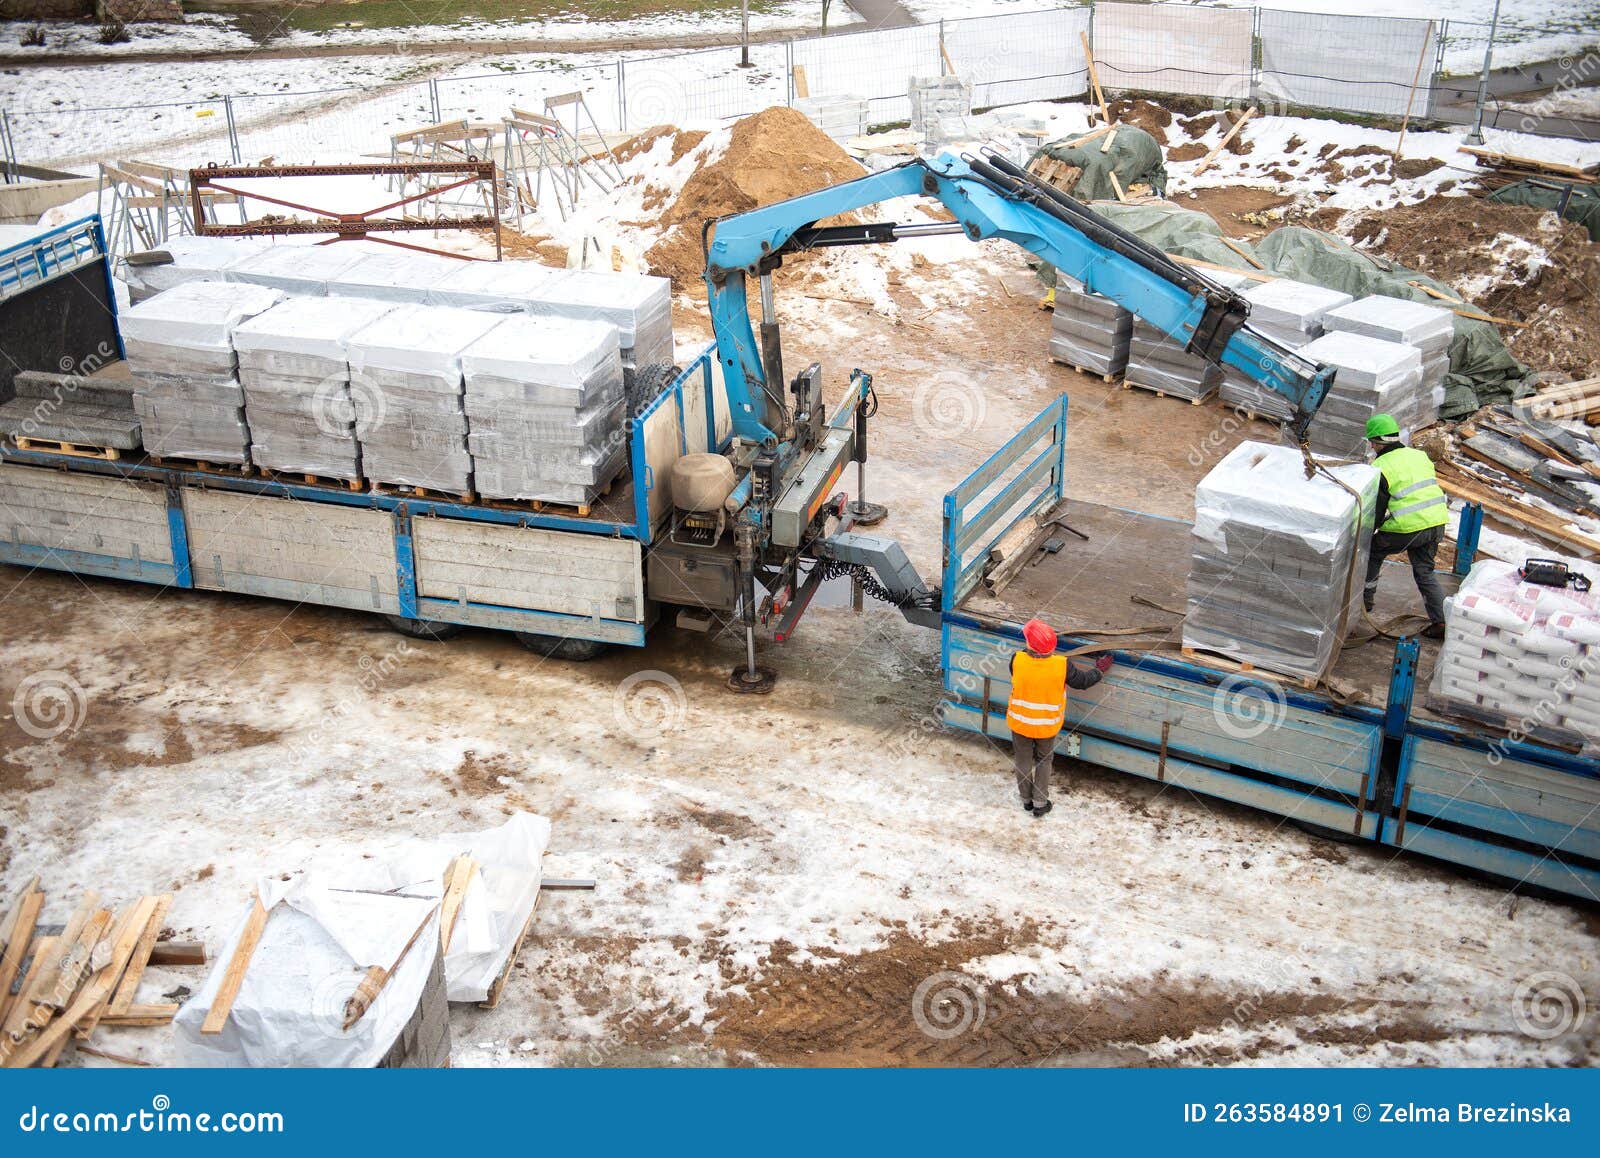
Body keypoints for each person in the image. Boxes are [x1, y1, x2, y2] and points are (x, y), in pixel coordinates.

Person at [1006, 618, 1113, 818]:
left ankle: (1026, 800)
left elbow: (1018, 671)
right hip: (1047, 725)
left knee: (1023, 760)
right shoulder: (1062, 665)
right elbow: (1082, 682)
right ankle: (1040, 802)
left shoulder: (1017, 659)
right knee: (1044, 761)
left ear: (1029, 645)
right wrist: (1100, 669)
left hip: (1020, 723)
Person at [1362, 413, 1449, 639]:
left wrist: (1366, 532)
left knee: (1373, 551)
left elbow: (1377, 508)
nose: (1371, 446)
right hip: (1437, 522)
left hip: (1408, 527)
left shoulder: (1380, 466)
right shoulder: (1418, 456)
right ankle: (1440, 621)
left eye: (1372, 441)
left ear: (1378, 442)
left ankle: (1365, 600)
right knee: (1425, 572)